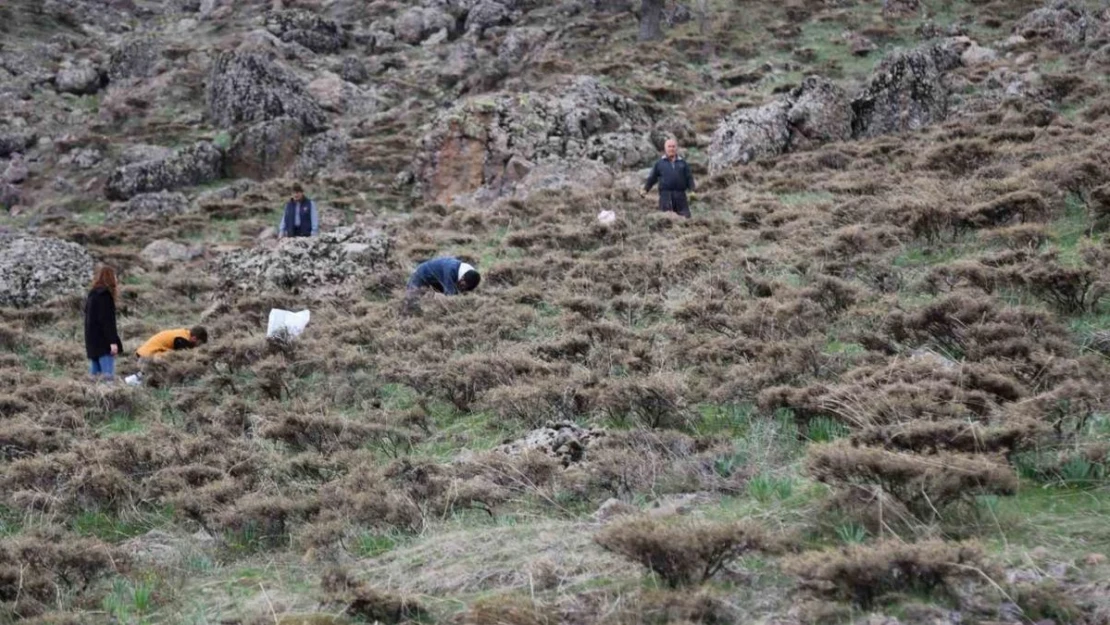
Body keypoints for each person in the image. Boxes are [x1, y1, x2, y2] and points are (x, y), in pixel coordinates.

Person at [84, 265, 123, 380]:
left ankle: (91, 396)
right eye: (115, 276)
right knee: (108, 376)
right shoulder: (105, 296)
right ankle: (108, 395)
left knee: (94, 376)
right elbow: (107, 321)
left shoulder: (92, 295)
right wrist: (112, 342)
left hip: (91, 341)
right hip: (103, 342)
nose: (116, 279)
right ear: (110, 278)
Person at [641, 138, 696, 218]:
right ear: (665, 148)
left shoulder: (683, 163)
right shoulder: (659, 163)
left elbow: (689, 178)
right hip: (665, 197)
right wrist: (645, 189)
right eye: (669, 146)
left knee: (685, 218)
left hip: (681, 196)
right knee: (666, 220)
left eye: (673, 146)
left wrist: (692, 190)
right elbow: (652, 178)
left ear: (676, 148)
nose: (671, 149)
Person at [406, 257, 481, 296]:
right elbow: (449, 295)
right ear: (462, 278)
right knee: (412, 298)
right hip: (421, 275)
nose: (462, 288)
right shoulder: (451, 270)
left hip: (436, 281)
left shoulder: (469, 274)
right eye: (463, 285)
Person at [136, 326, 208, 359]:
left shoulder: (183, 333)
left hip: (142, 352)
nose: (198, 346)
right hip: (147, 356)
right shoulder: (182, 340)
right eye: (199, 343)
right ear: (194, 338)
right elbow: (182, 357)